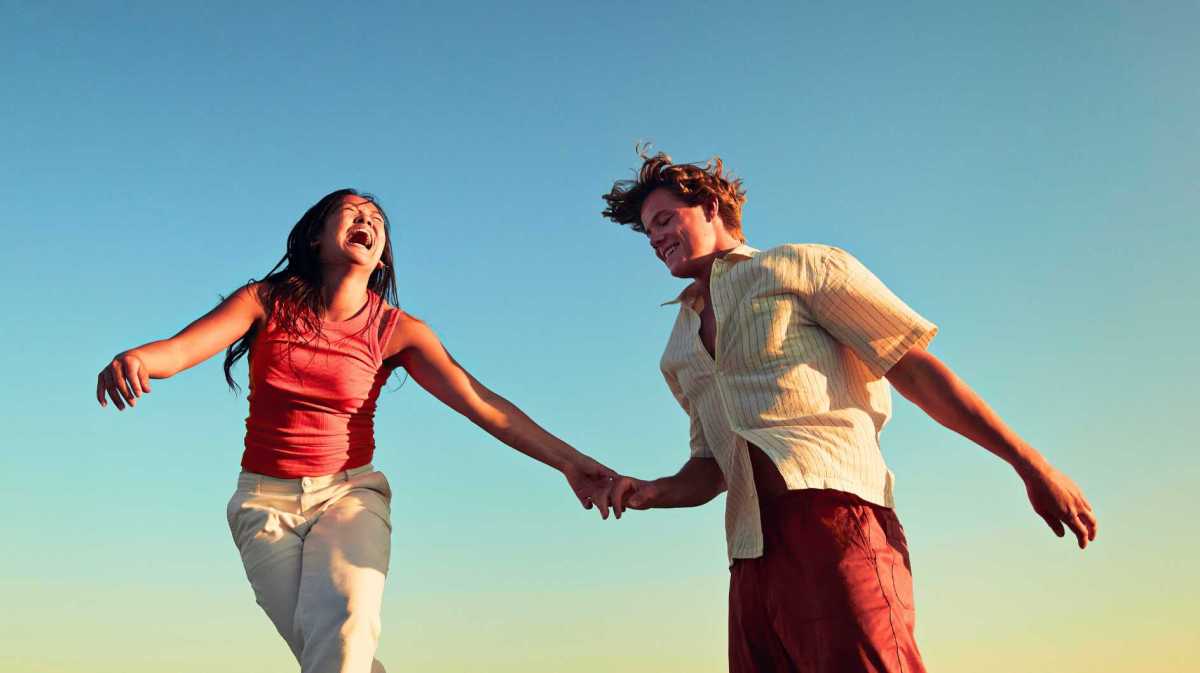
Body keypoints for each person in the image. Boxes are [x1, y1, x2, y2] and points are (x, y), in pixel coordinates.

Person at [599, 151, 1098, 673]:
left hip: (836, 522)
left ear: (708, 207)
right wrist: (654, 491)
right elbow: (711, 465)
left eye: (663, 220)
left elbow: (913, 368)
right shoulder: (676, 347)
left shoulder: (800, 266)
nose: (655, 239)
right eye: (647, 233)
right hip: (748, 557)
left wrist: (1029, 463)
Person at [95, 189, 617, 673]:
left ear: (382, 255)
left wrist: (568, 461)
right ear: (316, 238)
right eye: (351, 211)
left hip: (349, 494)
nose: (367, 218)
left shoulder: (397, 331)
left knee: (346, 630)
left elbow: (481, 402)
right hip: (263, 503)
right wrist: (138, 357)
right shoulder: (264, 301)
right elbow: (183, 348)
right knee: (337, 654)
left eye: (376, 219)